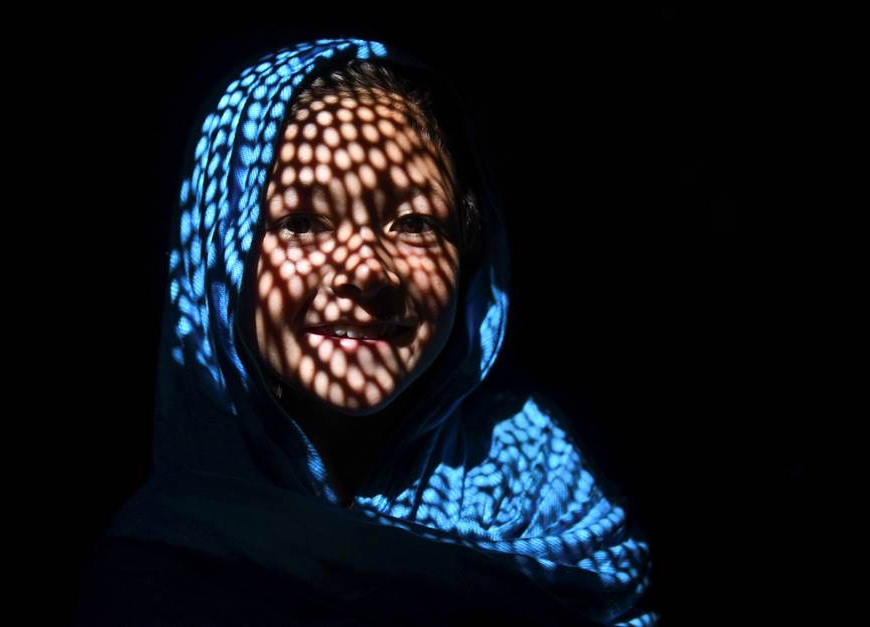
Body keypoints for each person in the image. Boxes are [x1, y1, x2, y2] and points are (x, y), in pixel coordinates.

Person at [72, 37, 659, 626]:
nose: (366, 269)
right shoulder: (168, 569)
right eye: (301, 222)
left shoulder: (550, 494)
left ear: (471, 251)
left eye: (414, 223)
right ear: (222, 258)